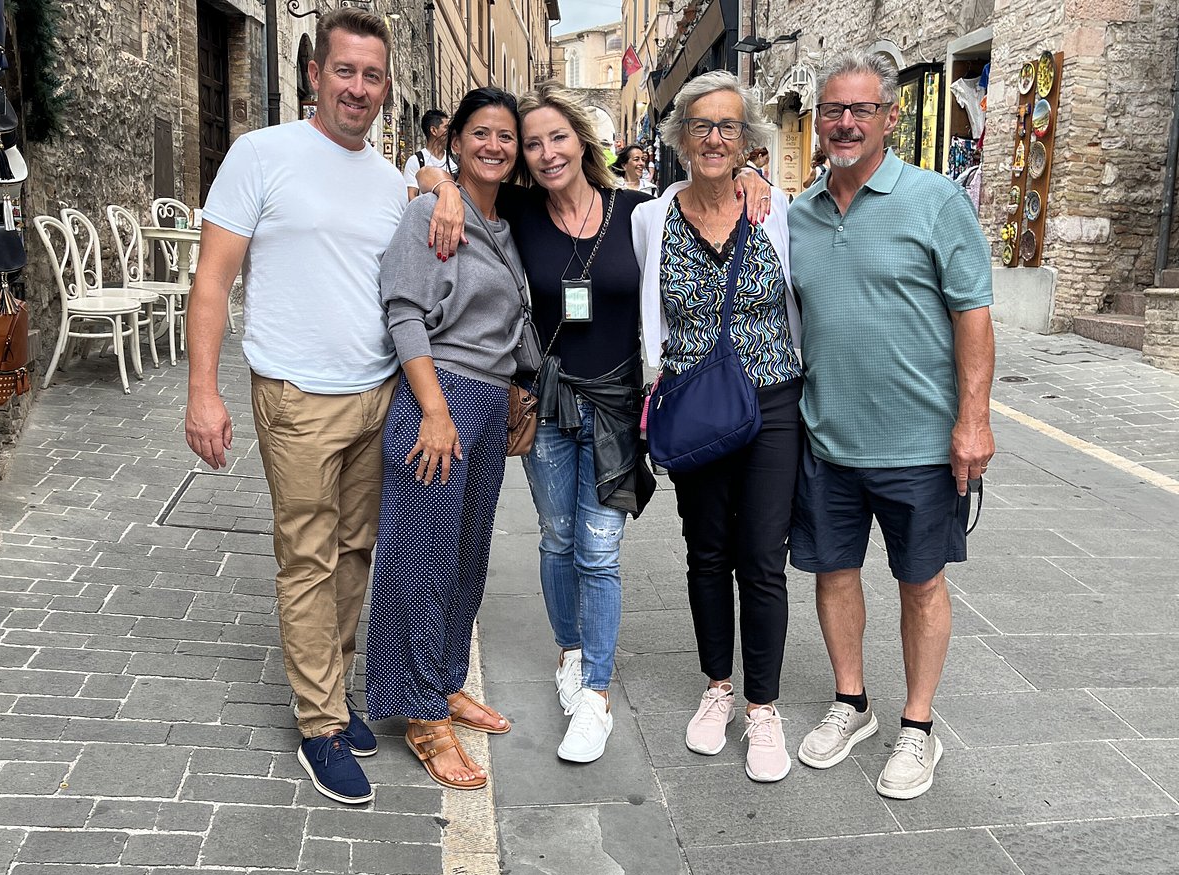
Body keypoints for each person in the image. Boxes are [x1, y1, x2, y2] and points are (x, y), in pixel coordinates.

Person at [419, 84, 770, 766]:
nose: (546, 153)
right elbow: (442, 170)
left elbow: (707, 194)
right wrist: (441, 185)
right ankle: (571, 653)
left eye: (558, 138)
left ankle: (597, 697)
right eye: (533, 143)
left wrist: (752, 175)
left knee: (599, 549)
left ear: (584, 141)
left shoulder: (638, 212)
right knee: (556, 539)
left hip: (616, 406)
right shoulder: (519, 209)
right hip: (548, 404)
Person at [185, 8, 404, 806]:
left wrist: (442, 186)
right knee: (308, 558)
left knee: (355, 554)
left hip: (375, 395)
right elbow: (210, 281)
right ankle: (319, 725)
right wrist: (202, 392)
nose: (357, 87)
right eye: (343, 71)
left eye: (371, 75)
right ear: (315, 74)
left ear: (386, 85)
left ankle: (335, 692)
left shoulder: (390, 180)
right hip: (296, 397)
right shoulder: (261, 154)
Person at [787, 51, 995, 800]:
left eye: (861, 110)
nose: (845, 123)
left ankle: (918, 725)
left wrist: (974, 421)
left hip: (918, 442)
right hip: (828, 438)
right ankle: (852, 703)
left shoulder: (936, 199)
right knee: (833, 574)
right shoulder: (799, 213)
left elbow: (973, 314)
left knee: (921, 583)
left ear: (889, 117)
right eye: (833, 111)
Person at [631, 70, 802, 783]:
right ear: (679, 137)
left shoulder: (777, 208)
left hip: (771, 405)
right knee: (706, 554)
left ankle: (763, 708)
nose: (714, 138)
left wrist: (761, 178)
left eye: (729, 127)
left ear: (747, 141)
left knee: (761, 559)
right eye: (702, 125)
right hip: (695, 404)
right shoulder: (650, 218)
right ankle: (717, 690)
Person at [365, 87, 525, 791]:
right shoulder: (432, 212)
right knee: (418, 560)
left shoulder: (506, 224)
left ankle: (446, 680)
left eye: (506, 137)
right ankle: (421, 716)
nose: (495, 145)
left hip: (488, 402)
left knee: (465, 557)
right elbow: (403, 313)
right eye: (481, 134)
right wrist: (433, 409)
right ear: (453, 140)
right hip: (442, 396)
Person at [402, 108, 452, 201]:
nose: (450, 131)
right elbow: (411, 196)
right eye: (446, 127)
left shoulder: (454, 160)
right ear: (434, 130)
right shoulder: (416, 161)